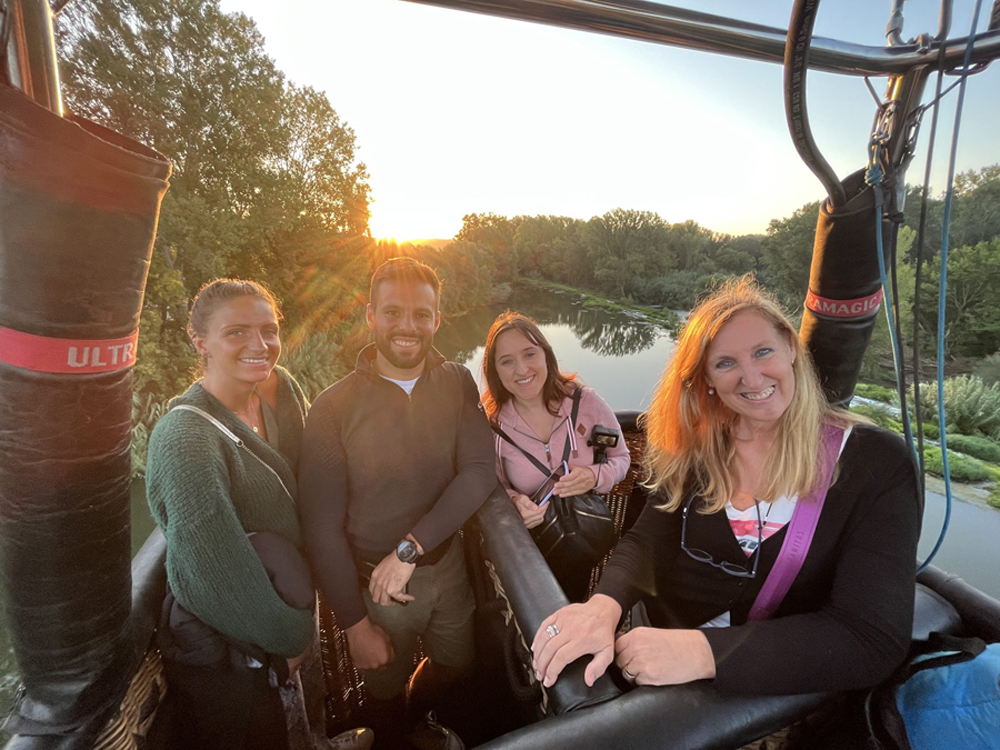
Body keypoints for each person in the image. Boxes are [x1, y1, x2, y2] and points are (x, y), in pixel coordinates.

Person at [531, 276, 920, 699]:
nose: (752, 378)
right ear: (707, 379)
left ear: (791, 347)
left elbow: (870, 638)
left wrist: (701, 653)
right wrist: (603, 606)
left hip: (770, 688)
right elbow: (648, 540)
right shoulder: (697, 444)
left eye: (763, 351)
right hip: (653, 656)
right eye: (726, 363)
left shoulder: (876, 463)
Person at [146, 279, 372, 750]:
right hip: (238, 629)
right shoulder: (185, 437)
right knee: (265, 728)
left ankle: (319, 743)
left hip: (289, 593)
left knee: (302, 705)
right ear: (200, 342)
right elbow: (211, 570)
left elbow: (312, 477)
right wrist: (291, 636)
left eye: (269, 330)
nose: (259, 345)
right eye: (237, 333)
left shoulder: (277, 390)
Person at [298, 258, 497, 750]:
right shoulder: (332, 408)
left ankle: (417, 718)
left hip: (445, 568)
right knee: (381, 684)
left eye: (421, 315)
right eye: (393, 313)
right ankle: (395, 735)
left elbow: (479, 472)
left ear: (436, 318)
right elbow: (321, 527)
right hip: (374, 588)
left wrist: (410, 550)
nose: (408, 327)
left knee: (459, 664)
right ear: (371, 315)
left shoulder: (456, 382)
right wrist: (354, 623)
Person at [481, 311, 631, 601]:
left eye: (529, 354)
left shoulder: (585, 402)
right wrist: (516, 502)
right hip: (532, 549)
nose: (522, 369)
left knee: (574, 603)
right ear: (495, 371)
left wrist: (595, 476)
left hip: (584, 542)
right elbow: (495, 486)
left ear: (546, 357)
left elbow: (622, 457)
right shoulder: (494, 427)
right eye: (507, 361)